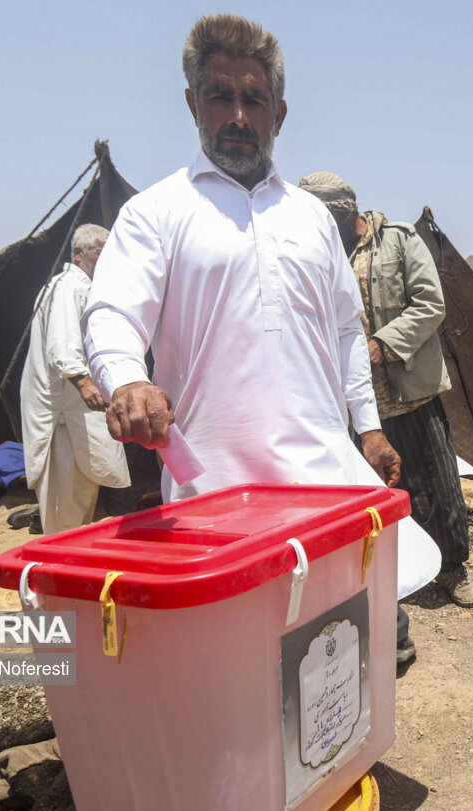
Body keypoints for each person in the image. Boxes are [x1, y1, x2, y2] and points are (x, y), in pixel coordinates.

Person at [81, 17, 422, 660]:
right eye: (220, 96)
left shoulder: (312, 219)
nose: (238, 116)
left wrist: (369, 428)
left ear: (280, 113)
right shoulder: (156, 212)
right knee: (238, 665)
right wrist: (126, 377)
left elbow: (348, 329)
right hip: (217, 495)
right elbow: (111, 311)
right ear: (192, 104)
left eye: (254, 100)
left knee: (338, 653)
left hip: (325, 485)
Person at [298, 171, 473, 610]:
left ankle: (453, 568)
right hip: (353, 405)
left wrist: (384, 343)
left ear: (343, 214)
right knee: (381, 489)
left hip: (407, 388)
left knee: (437, 481)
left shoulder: (396, 241)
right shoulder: (316, 253)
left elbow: (430, 303)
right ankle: (400, 574)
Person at [20, 224, 130, 534]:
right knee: (64, 502)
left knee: (80, 496)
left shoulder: (85, 287)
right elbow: (62, 343)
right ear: (79, 253)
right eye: (100, 251)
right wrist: (82, 380)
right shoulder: (70, 286)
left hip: (77, 414)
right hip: (61, 414)